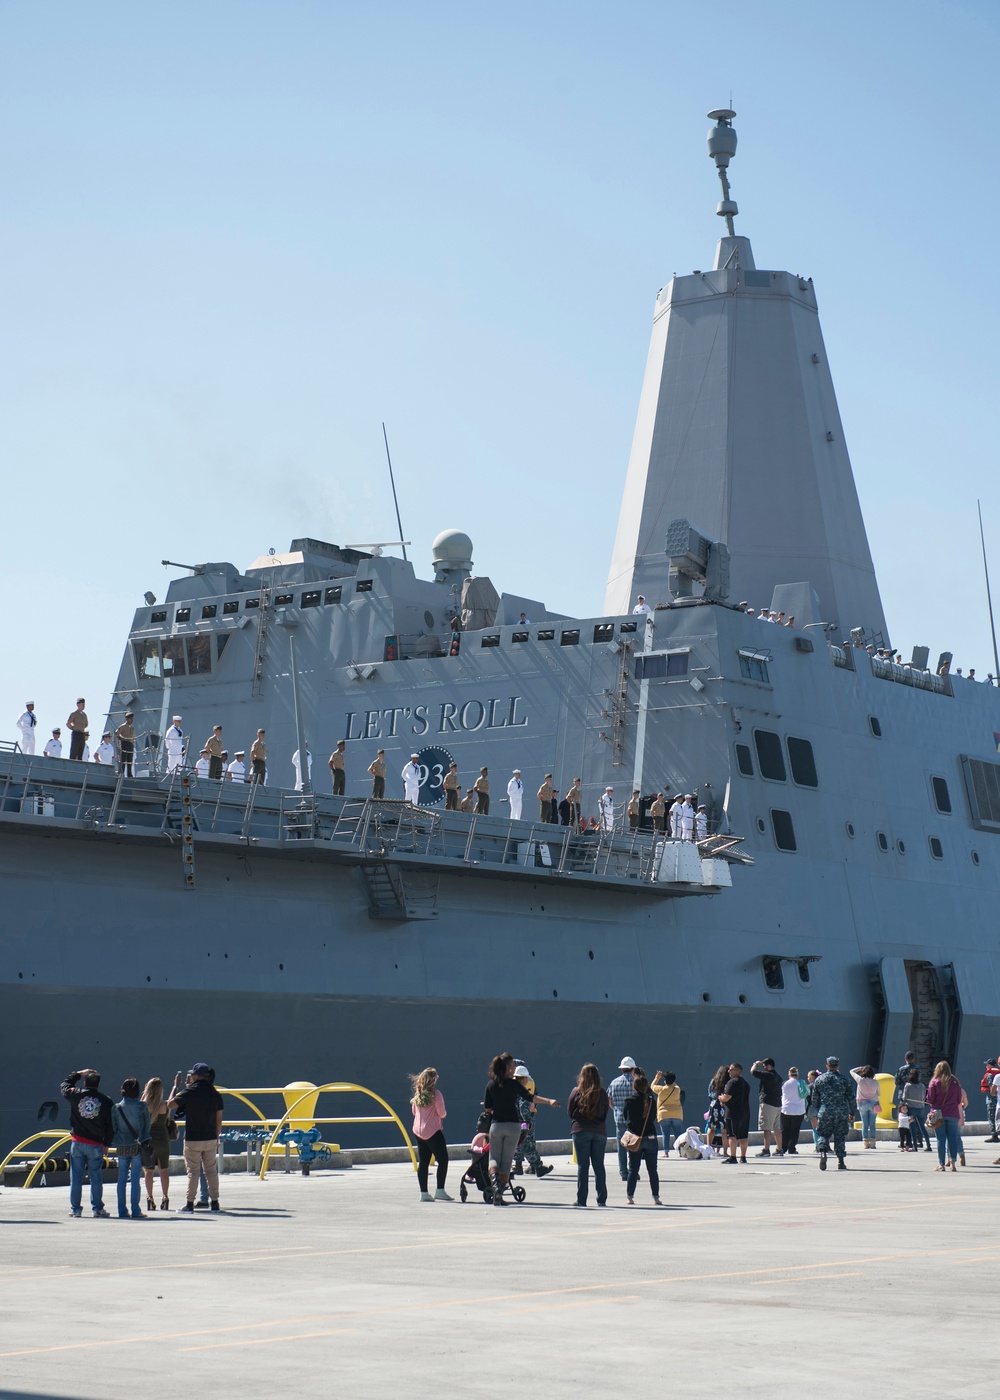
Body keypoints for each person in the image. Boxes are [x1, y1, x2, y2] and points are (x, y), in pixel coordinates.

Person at [482, 1053, 558, 1206]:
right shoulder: (514, 1084)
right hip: (513, 1126)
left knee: (493, 1158)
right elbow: (531, 1098)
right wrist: (549, 1101)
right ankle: (500, 1194)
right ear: (507, 1068)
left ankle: (495, 1187)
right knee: (506, 1162)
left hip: (496, 1126)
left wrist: (495, 1108)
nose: (514, 1068)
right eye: (512, 1066)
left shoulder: (490, 1085)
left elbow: (488, 1108)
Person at [168, 1062, 225, 1211]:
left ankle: (189, 1204)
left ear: (197, 1076)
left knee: (193, 1172)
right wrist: (217, 1138)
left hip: (193, 1138)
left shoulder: (190, 1091)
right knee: (211, 1171)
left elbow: (170, 1105)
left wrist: (176, 1088)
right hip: (211, 1138)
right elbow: (219, 1120)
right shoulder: (215, 1094)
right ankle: (215, 1203)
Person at [61, 1068, 115, 1218]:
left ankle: (75, 1209)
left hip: (77, 1142)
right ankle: (97, 1208)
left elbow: (64, 1085)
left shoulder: (76, 1095)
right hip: (96, 1144)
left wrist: (78, 1073)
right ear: (98, 1084)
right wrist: (107, 1144)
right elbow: (110, 1126)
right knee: (96, 1177)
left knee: (76, 1177)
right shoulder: (106, 1101)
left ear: (84, 1082)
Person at [568, 1063, 609, 1207]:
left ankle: (581, 1200)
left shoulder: (576, 1091)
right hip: (599, 1131)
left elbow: (570, 1111)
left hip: (580, 1131)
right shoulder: (602, 1093)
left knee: (583, 1166)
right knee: (598, 1165)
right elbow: (605, 1113)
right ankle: (602, 1198)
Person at [409, 1067, 451, 1202]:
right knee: (443, 1160)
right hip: (433, 1131)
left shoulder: (418, 1094)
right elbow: (442, 1113)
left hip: (418, 1132)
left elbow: (414, 1112)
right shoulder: (436, 1094)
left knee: (424, 1162)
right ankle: (440, 1190)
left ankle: (424, 1193)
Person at [111, 1077, 151, 1219]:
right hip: (137, 1146)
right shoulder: (142, 1106)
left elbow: (114, 1128)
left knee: (121, 1179)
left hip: (122, 1146)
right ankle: (136, 1210)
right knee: (135, 1179)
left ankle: (122, 1211)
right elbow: (147, 1127)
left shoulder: (116, 1107)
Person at [809, 1055, 855, 1171]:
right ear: (837, 1066)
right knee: (840, 1136)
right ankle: (841, 1161)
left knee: (824, 1134)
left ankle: (823, 1153)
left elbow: (814, 1099)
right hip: (841, 1112)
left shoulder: (819, 1080)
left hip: (825, 1112)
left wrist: (819, 1109)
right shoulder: (845, 1080)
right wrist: (852, 1112)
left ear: (827, 1066)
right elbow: (851, 1098)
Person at [621, 1073, 661, 1204]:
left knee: (633, 1169)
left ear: (634, 1086)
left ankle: (630, 1197)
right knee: (652, 1170)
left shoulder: (629, 1100)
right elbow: (653, 1117)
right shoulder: (651, 1101)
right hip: (650, 1137)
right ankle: (656, 1197)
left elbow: (625, 1117)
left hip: (635, 1138)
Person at [511, 1064, 553, 1178]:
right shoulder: (522, 1091)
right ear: (524, 1078)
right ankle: (538, 1167)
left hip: (513, 1123)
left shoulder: (511, 1088)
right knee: (528, 1145)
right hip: (523, 1123)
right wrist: (528, 1122)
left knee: (518, 1145)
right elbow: (524, 1109)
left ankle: (519, 1166)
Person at [926, 1060, 964, 1172]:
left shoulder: (934, 1082)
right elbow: (958, 1100)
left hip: (938, 1114)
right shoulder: (955, 1083)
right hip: (953, 1113)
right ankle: (953, 1164)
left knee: (940, 1139)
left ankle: (941, 1165)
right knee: (952, 1139)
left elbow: (930, 1099)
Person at [141, 1077, 172, 1211]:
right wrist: (175, 1087)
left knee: (149, 1171)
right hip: (163, 1140)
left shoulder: (144, 1105)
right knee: (164, 1170)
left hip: (149, 1140)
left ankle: (150, 1197)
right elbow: (169, 1112)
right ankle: (165, 1197)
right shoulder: (164, 1105)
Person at [607, 1056, 638, 1180]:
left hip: (619, 1119)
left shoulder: (614, 1083)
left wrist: (615, 1109)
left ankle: (623, 1172)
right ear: (632, 1069)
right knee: (634, 1146)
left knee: (621, 1147)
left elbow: (608, 1099)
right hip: (634, 1120)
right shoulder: (636, 1082)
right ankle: (633, 1171)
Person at [751, 1058, 784, 1157]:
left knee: (766, 1128)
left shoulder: (768, 1075)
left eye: (764, 1066)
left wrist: (755, 1064)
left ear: (768, 1065)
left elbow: (753, 1072)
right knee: (777, 1128)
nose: (764, 1068)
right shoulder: (778, 1077)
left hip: (767, 1103)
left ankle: (766, 1149)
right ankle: (779, 1149)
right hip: (777, 1104)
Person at [719, 1063, 751, 1164]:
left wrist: (720, 1098)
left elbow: (727, 1097)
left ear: (738, 1071)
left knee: (732, 1135)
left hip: (733, 1113)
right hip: (745, 1112)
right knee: (743, 1136)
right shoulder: (746, 1084)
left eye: (731, 1070)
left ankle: (733, 1157)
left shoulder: (731, 1082)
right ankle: (743, 1157)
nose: (729, 1071)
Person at [650, 1070, 684, 1156]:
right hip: (677, 1114)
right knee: (679, 1134)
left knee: (665, 1134)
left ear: (665, 1081)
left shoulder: (661, 1089)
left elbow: (652, 1086)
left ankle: (666, 1152)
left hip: (664, 1114)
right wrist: (670, 1078)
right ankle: (681, 1151)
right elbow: (674, 1084)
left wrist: (657, 1077)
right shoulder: (677, 1089)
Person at [850, 1064, 881, 1149]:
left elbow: (851, 1071)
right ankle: (873, 1142)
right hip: (873, 1103)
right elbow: (879, 1093)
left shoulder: (860, 1080)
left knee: (865, 1123)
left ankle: (865, 1143)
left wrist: (859, 1068)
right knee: (872, 1124)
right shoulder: (875, 1082)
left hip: (862, 1103)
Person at [779, 1066, 808, 1155]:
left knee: (785, 1129)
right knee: (795, 1130)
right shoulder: (801, 1083)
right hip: (799, 1110)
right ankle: (791, 1148)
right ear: (797, 1075)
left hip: (786, 1109)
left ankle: (783, 1148)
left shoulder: (784, 1084)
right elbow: (807, 1093)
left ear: (789, 1074)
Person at [900, 1067, 930, 1151]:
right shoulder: (922, 1086)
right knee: (922, 1128)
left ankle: (915, 1147)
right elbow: (924, 1097)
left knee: (913, 1128)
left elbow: (904, 1098)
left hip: (911, 1108)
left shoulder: (908, 1085)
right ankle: (928, 1145)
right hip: (920, 1108)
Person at [705, 1065, 729, 1153]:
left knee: (711, 1128)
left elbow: (709, 1094)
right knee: (724, 1131)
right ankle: (725, 1152)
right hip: (724, 1106)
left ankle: (708, 1149)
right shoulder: (728, 1082)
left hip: (714, 1105)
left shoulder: (713, 1081)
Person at [982, 1059, 999, 1143]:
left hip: (992, 1099)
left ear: (989, 1065)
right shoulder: (997, 1074)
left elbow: (991, 1086)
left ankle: (994, 1135)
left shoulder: (989, 1075)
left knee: (991, 1116)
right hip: (997, 1098)